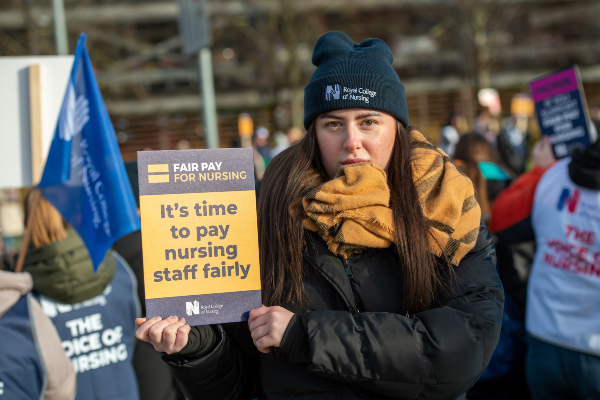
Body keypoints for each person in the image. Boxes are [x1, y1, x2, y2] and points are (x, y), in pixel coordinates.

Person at [136, 31, 503, 400]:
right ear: (314, 132)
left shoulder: (447, 207)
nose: (351, 140)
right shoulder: (269, 215)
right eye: (333, 124)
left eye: (369, 121)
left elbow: (464, 350)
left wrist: (305, 335)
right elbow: (242, 382)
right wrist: (197, 347)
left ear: (398, 130)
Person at [490, 137, 600, 400]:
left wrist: (541, 170)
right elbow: (502, 220)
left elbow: (502, 220)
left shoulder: (555, 174)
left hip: (544, 341)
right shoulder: (555, 174)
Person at [22, 190, 141, 400]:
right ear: (77, 216)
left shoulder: (21, 290)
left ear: (27, 223)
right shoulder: (117, 268)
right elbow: (134, 331)